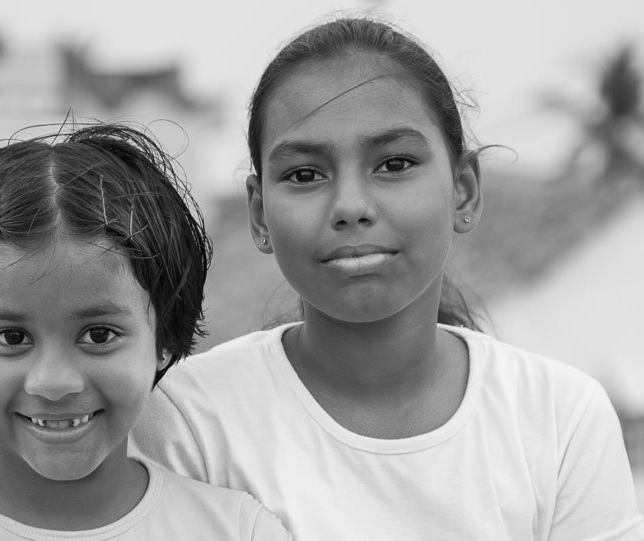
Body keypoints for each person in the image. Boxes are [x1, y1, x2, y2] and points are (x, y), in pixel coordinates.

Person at [130, 18, 644, 540]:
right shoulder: (186, 420)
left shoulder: (560, 417)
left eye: (394, 163)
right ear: (260, 215)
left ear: (463, 191)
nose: (351, 207)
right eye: (305, 174)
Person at [0, 124, 291, 540]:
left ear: (165, 337)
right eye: (13, 338)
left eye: (98, 335)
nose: (54, 383)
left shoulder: (237, 532)